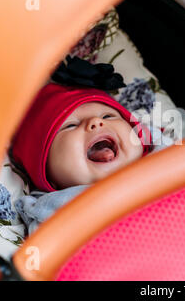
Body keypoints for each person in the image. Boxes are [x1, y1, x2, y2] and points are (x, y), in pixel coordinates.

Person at [11, 83, 152, 234]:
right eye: (70, 126)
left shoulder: (165, 154)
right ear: (48, 174)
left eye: (108, 116)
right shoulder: (54, 211)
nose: (96, 122)